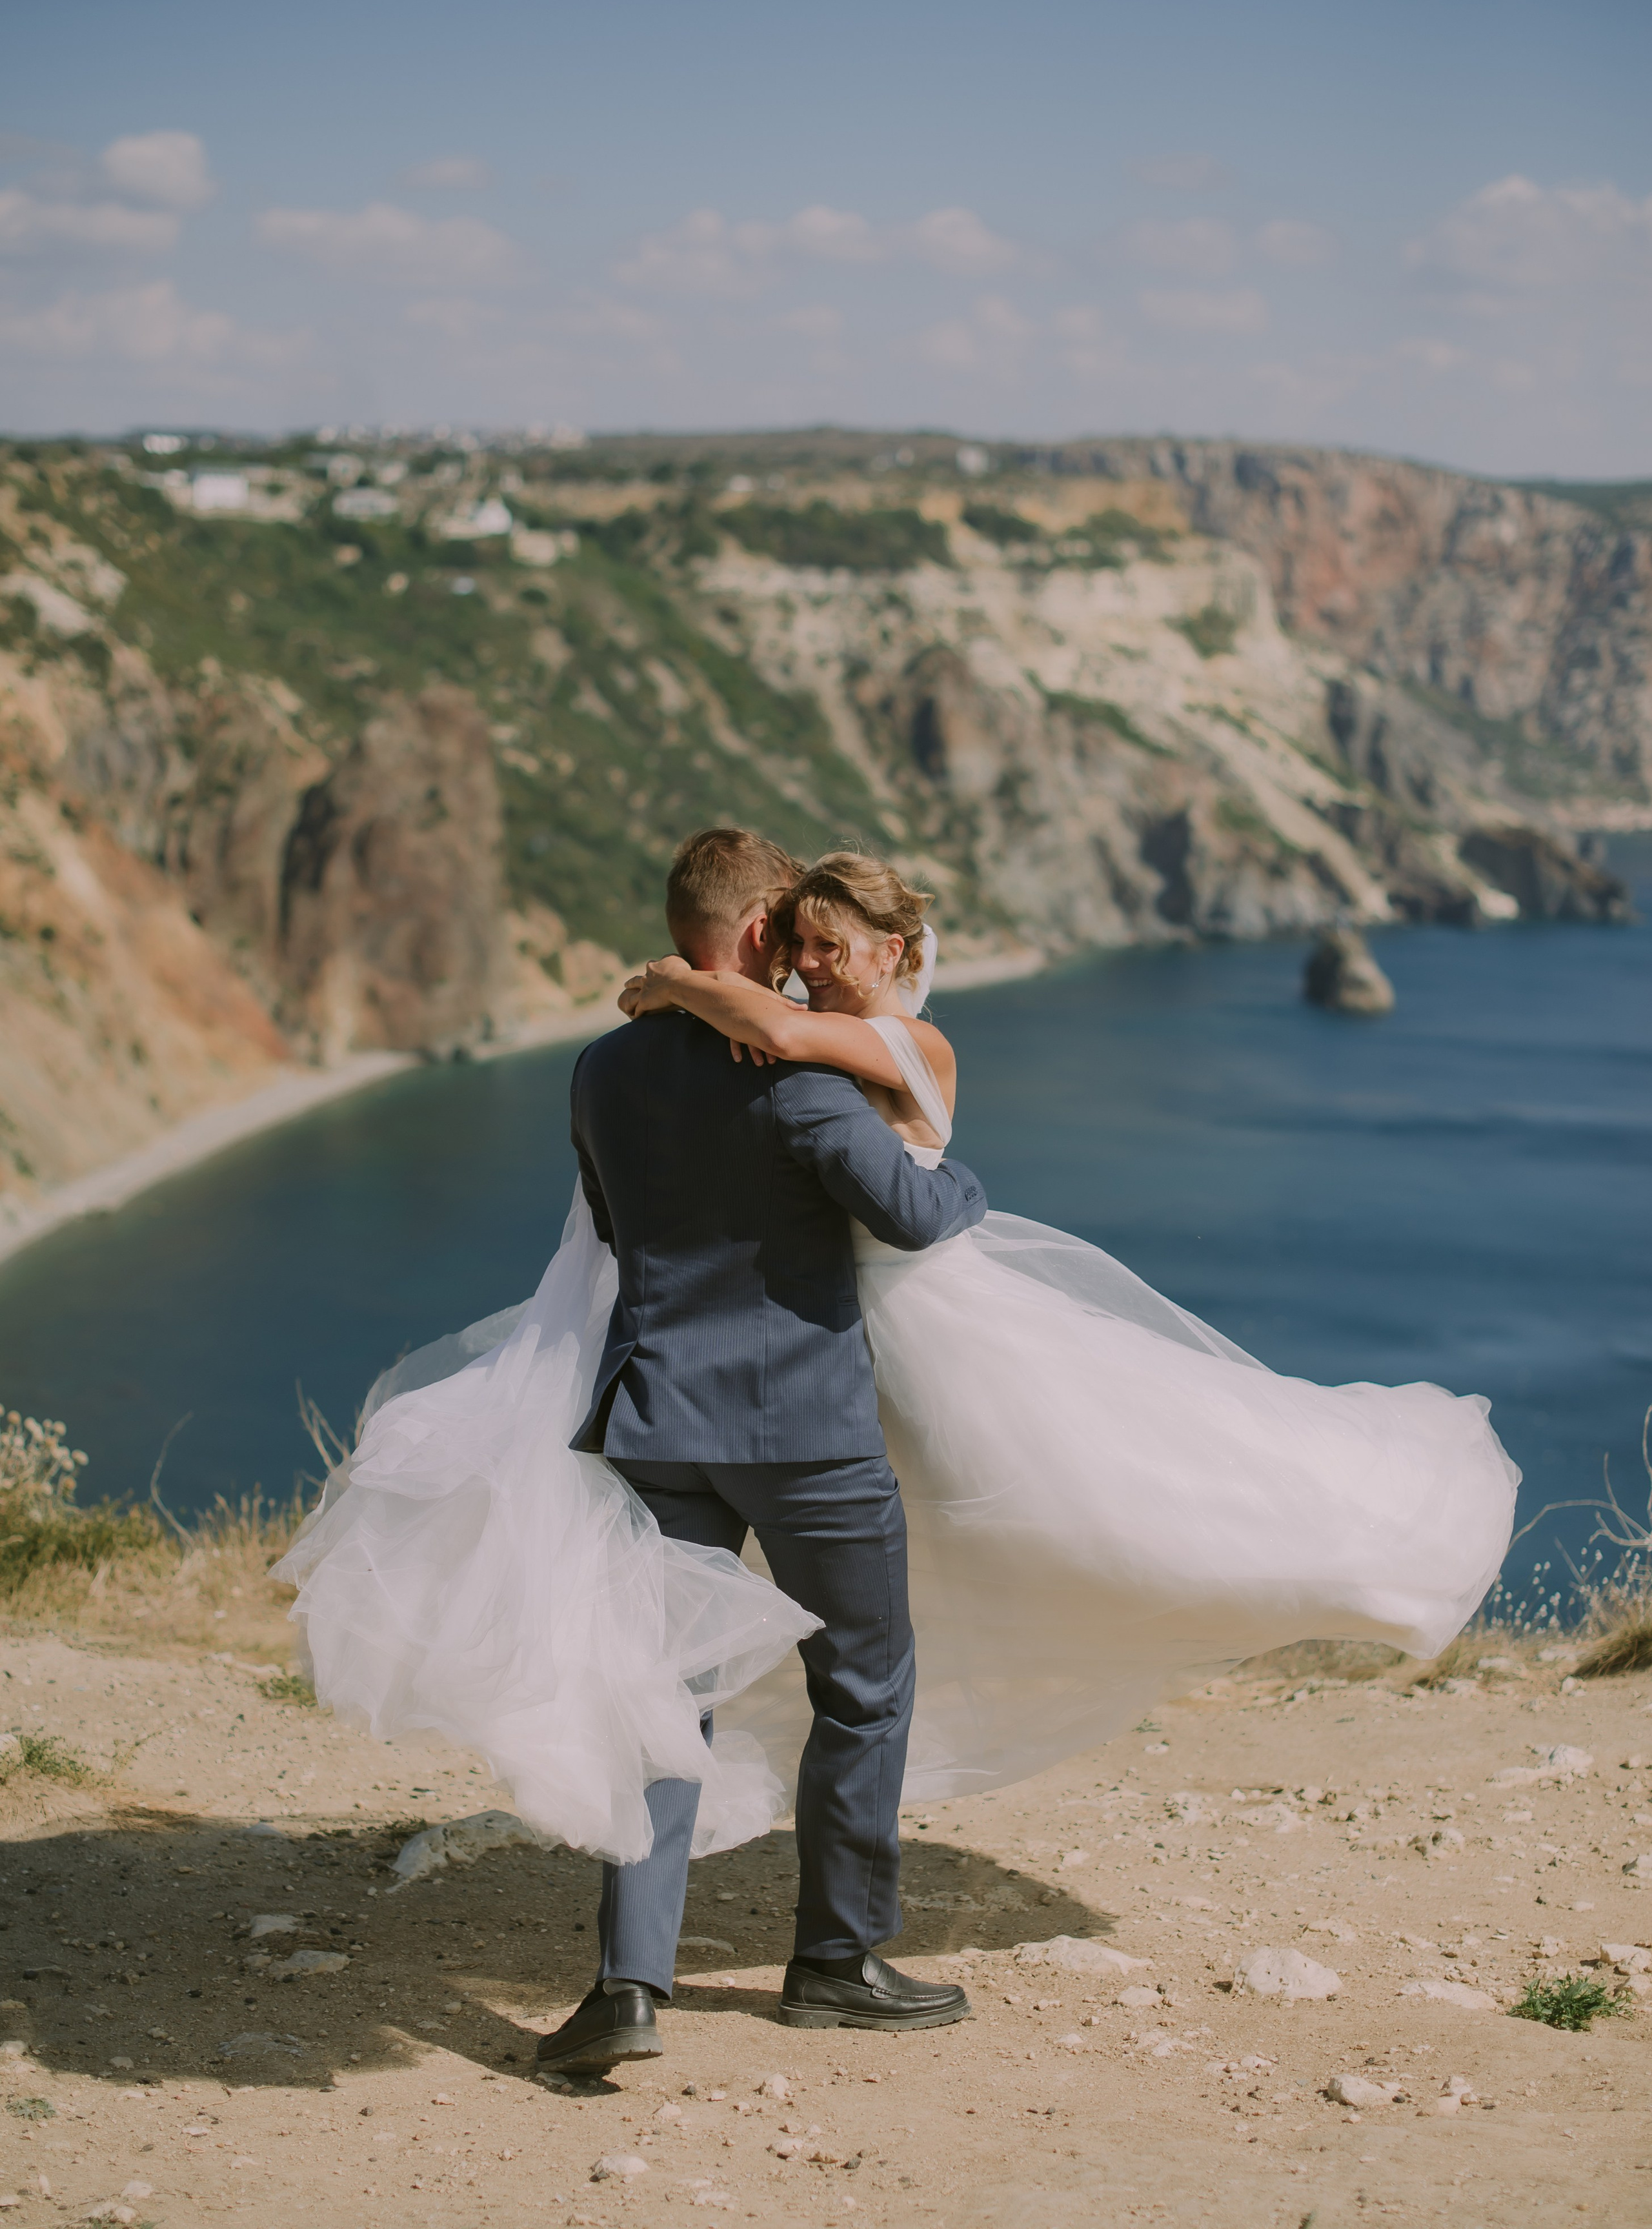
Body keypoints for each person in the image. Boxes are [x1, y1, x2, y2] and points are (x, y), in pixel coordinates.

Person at [276, 828, 990, 2075]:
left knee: (665, 1700)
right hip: (806, 1435)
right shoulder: (802, 1081)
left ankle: (628, 1987)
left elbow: (611, 1231)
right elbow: (918, 1214)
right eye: (799, 935)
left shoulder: (600, 1074)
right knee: (865, 1687)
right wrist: (961, 1174)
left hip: (657, 1423)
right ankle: (836, 1961)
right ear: (764, 933)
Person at [618, 849, 1521, 1813]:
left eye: (830, 944)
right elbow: (781, 1037)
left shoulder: (909, 1041)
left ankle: (1362, 1560)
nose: (810, 961)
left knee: (1107, 1515)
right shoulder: (809, 1034)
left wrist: (675, 980)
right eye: (798, 942)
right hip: (837, 1342)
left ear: (894, 951)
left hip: (935, 1326)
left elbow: (783, 1030)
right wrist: (699, 997)